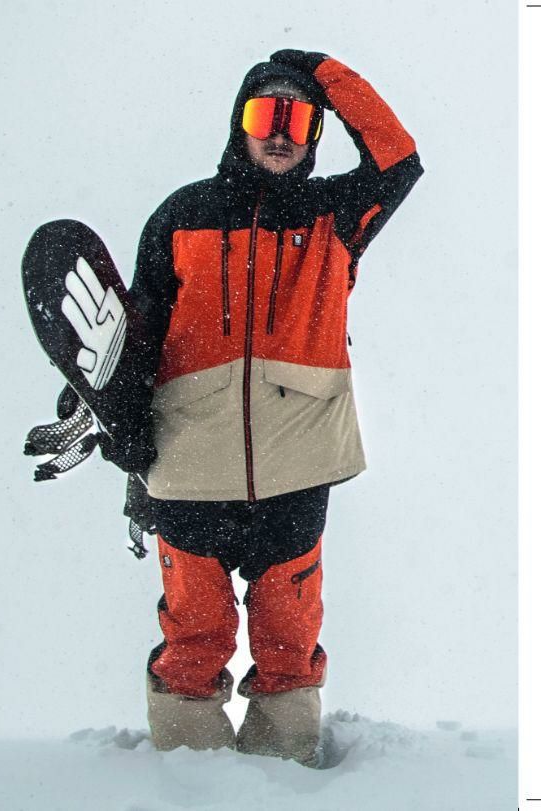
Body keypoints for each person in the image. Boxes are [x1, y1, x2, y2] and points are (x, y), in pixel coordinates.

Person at [110, 48, 423, 766]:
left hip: (297, 459)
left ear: (316, 132)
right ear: (238, 124)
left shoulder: (335, 217)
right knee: (193, 631)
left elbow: (398, 159)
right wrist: (122, 417)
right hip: (188, 459)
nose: (280, 133)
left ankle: (286, 774)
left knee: (288, 634)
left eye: (298, 118)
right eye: (264, 115)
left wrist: (325, 73)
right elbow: (140, 328)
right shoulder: (183, 214)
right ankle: (184, 777)